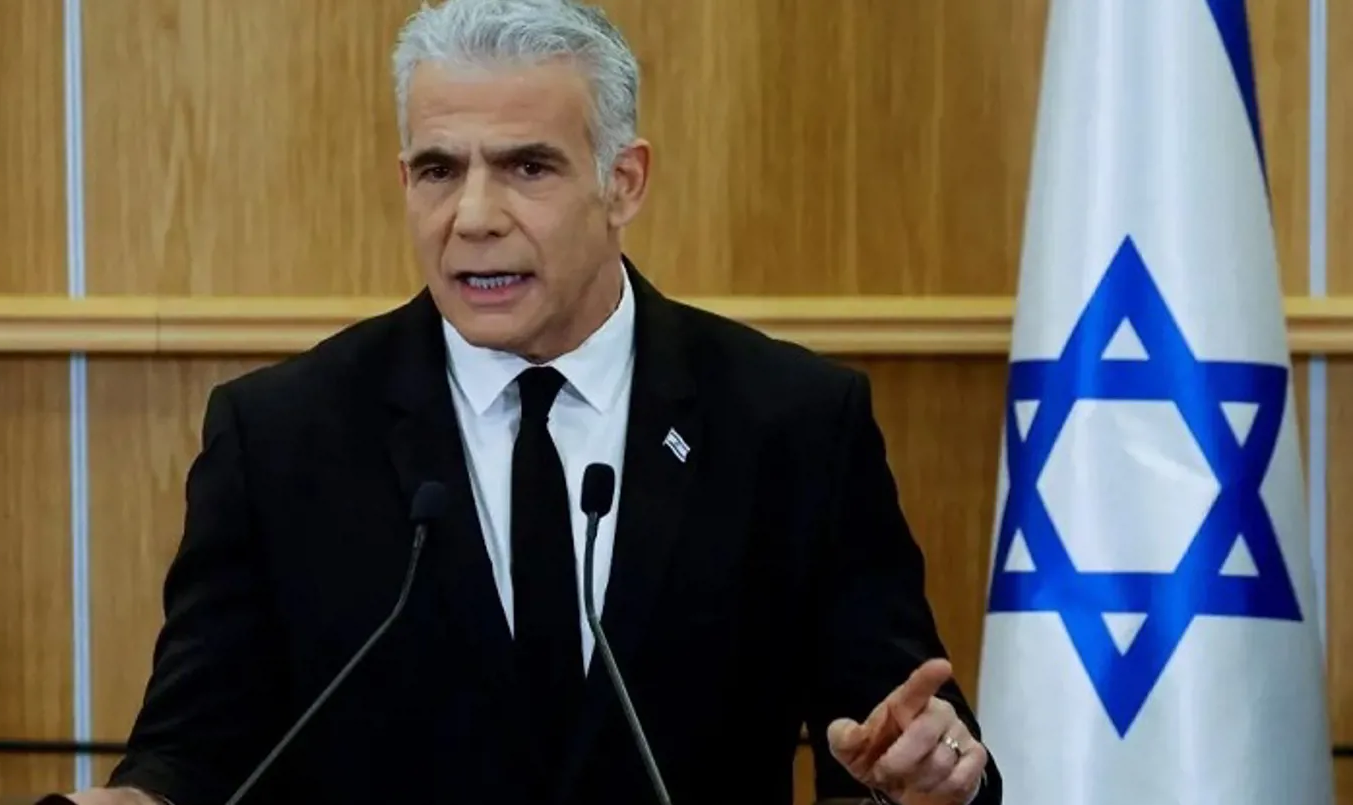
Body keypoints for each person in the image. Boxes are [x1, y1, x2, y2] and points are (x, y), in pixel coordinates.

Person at [67, 0, 1001, 803]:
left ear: (622, 182)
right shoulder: (281, 437)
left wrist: (929, 774)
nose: (473, 217)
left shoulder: (791, 422)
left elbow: (899, 734)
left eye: (527, 167)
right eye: (439, 170)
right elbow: (192, 754)